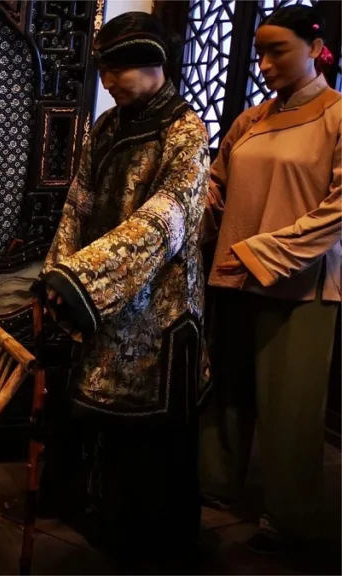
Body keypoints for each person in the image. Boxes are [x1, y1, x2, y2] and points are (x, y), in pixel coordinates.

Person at [38, 12, 210, 569]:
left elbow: (169, 217)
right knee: (98, 422)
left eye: (117, 68)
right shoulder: (109, 125)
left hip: (157, 307)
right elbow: (79, 200)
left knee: (152, 437)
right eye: (104, 68)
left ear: (153, 64)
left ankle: (155, 543)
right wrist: (58, 273)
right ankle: (98, 516)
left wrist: (83, 277)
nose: (107, 80)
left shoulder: (185, 130)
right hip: (102, 303)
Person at [199, 4, 340, 556]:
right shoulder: (249, 120)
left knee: (290, 406)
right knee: (226, 391)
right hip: (231, 277)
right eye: (258, 51)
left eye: (276, 50)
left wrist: (263, 252)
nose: (263, 63)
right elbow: (215, 187)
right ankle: (214, 487)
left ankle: (292, 523)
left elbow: (336, 211)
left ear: (314, 46)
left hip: (299, 284)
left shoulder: (336, 116)